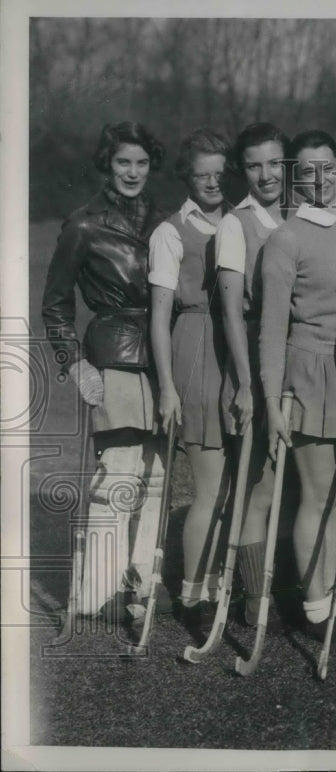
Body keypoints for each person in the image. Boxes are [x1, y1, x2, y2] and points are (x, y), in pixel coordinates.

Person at [41, 121, 169, 623]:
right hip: (112, 354)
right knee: (119, 471)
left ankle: (140, 582)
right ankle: (98, 591)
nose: (132, 172)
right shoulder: (83, 224)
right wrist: (74, 362)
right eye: (122, 162)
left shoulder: (165, 222)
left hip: (163, 357)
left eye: (141, 162)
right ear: (107, 164)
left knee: (156, 473)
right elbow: (55, 304)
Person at [259, 129, 336, 636]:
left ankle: (334, 592)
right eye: (308, 171)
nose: (321, 179)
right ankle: (315, 604)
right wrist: (273, 400)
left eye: (328, 167)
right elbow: (272, 328)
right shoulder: (286, 237)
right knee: (316, 493)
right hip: (308, 372)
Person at [149, 128, 232, 631]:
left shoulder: (241, 220)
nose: (212, 183)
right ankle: (193, 595)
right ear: (188, 178)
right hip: (198, 348)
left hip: (239, 350)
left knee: (238, 488)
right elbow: (160, 315)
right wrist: (167, 386)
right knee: (210, 488)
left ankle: (223, 584)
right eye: (203, 176)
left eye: (219, 174)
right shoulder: (171, 231)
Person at [215, 122, 289, 625]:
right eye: (254, 165)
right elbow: (231, 313)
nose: (266, 175)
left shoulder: (300, 216)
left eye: (275, 163)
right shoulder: (235, 224)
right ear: (242, 171)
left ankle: (288, 584)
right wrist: (246, 383)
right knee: (258, 483)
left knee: (295, 484)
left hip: (297, 359)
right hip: (256, 364)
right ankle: (254, 598)